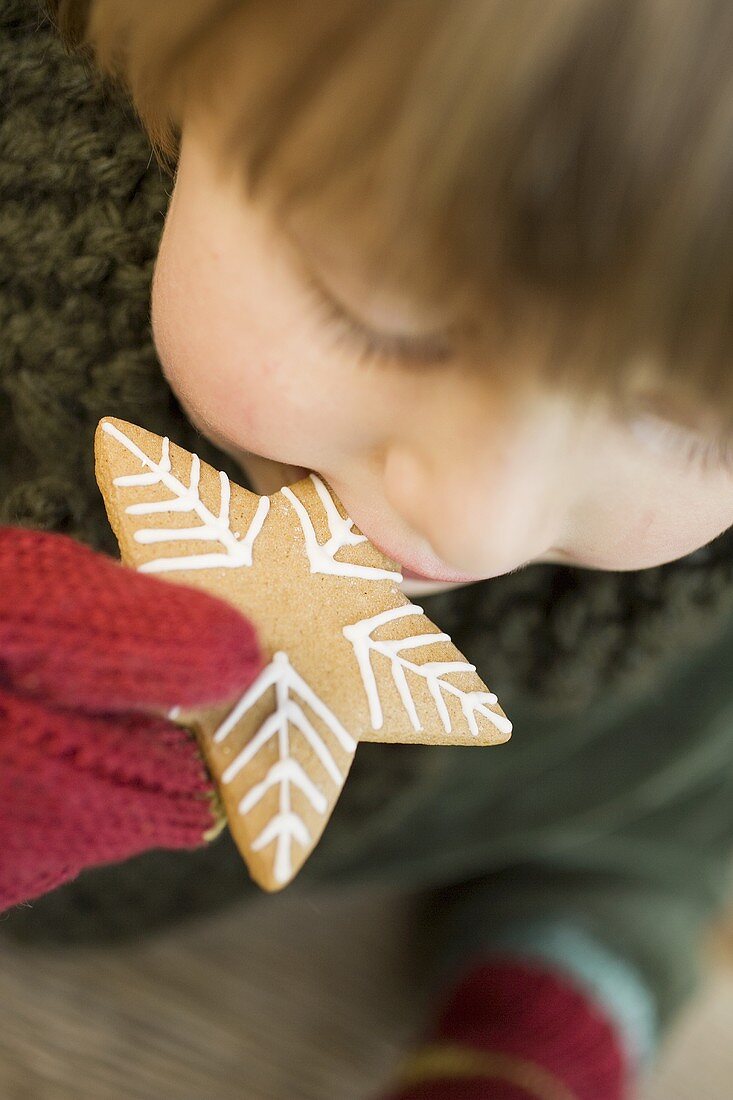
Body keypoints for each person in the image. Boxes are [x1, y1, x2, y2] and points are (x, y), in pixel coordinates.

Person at [2, 1, 733, 1096]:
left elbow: (656, 833)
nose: (471, 522)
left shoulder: (672, 641)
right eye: (379, 314)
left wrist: (533, 1037)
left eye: (688, 420)